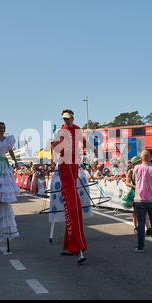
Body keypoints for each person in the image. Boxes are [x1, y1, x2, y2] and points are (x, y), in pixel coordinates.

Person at [51, 109, 88, 264]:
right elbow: (54, 148)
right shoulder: (62, 131)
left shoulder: (78, 129)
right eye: (64, 119)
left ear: (73, 118)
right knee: (73, 210)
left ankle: (70, 246)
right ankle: (79, 248)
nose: (66, 121)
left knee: (75, 210)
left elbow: (84, 143)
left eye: (68, 119)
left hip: (74, 168)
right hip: (65, 169)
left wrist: (82, 149)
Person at [133, 150, 152, 253]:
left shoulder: (136, 168)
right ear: (150, 157)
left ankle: (140, 247)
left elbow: (134, 180)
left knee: (141, 224)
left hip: (140, 199)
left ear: (141, 158)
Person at [124, 156, 151, 235]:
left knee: (145, 210)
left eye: (140, 161)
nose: (140, 163)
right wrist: (135, 186)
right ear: (134, 164)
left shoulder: (143, 169)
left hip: (144, 192)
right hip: (135, 193)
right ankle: (135, 227)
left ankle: (148, 228)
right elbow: (127, 182)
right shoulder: (131, 171)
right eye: (138, 162)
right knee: (136, 212)